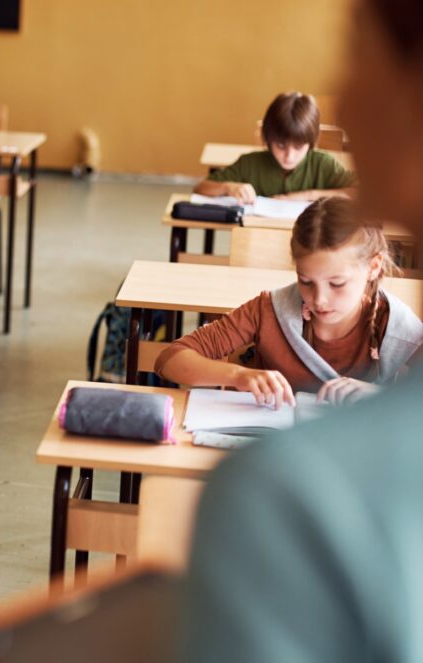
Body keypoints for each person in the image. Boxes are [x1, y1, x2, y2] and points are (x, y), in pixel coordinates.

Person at [179, 1, 423, 660]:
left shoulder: (280, 494)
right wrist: (235, 373)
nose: (343, 92)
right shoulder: (277, 309)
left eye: (355, 58)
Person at [156, 197, 422, 407]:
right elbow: (170, 359)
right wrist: (238, 376)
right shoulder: (269, 310)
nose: (319, 299)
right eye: (305, 281)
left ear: (373, 267)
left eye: (337, 283)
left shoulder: (400, 329)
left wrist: (384, 400)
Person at [194, 92, 357, 204]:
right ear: (268, 138)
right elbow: (201, 187)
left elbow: (360, 193)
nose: (289, 156)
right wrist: (228, 187)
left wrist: (309, 195)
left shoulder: (323, 164)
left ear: (311, 142)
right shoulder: (250, 164)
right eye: (281, 145)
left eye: (299, 147)